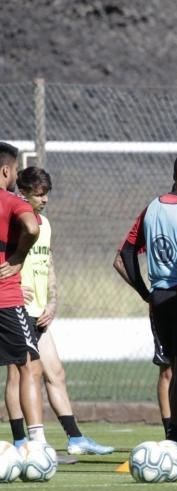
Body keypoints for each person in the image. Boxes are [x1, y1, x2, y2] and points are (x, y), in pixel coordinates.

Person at [5, 167, 113, 458]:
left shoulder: (45, 225)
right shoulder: (15, 222)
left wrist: (53, 301)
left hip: (40, 310)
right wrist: (13, 284)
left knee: (56, 373)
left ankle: (75, 437)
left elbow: (48, 263)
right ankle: (21, 441)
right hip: (18, 307)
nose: (45, 200)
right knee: (21, 374)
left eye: (46, 194)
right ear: (23, 192)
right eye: (39, 194)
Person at [119, 152, 177, 450]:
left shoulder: (152, 208)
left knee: (173, 370)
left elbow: (123, 257)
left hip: (159, 299)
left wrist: (146, 292)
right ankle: (176, 440)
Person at [0, 143, 43, 453]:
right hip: (5, 299)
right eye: (15, 170)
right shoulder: (12, 201)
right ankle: (36, 442)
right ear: (6, 171)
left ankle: (18, 442)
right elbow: (31, 226)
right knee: (26, 365)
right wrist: (17, 256)